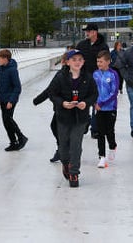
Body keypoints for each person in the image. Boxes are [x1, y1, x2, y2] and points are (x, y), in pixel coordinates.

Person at [48, 48, 98, 187]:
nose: (77, 62)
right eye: (74, 59)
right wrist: (63, 103)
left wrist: (85, 103)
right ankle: (65, 163)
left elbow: (94, 94)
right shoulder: (60, 77)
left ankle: (74, 172)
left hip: (80, 117)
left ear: (83, 62)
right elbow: (52, 93)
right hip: (63, 117)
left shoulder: (87, 77)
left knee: (76, 145)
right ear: (68, 62)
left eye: (80, 60)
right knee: (64, 146)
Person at [76, 23, 109, 137]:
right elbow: (76, 60)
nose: (86, 33)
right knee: (83, 103)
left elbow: (107, 63)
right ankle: (85, 121)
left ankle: (95, 128)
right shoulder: (81, 45)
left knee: (97, 104)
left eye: (88, 31)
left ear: (94, 32)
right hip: (83, 79)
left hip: (98, 80)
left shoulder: (103, 46)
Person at [92, 50, 120, 168]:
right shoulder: (95, 74)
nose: (99, 64)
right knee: (100, 132)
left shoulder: (113, 74)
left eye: (101, 61)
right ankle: (102, 157)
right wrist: (94, 103)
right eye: (98, 61)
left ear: (108, 62)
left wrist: (102, 103)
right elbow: (92, 90)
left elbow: (114, 93)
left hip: (110, 108)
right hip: (98, 108)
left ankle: (112, 146)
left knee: (109, 131)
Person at [0, 48, 28, 151]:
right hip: (2, 99)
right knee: (6, 121)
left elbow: (17, 87)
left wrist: (11, 101)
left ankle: (21, 137)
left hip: (10, 100)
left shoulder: (12, 70)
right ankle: (13, 142)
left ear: (6, 59)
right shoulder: (1, 68)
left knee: (8, 119)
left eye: (0, 58)